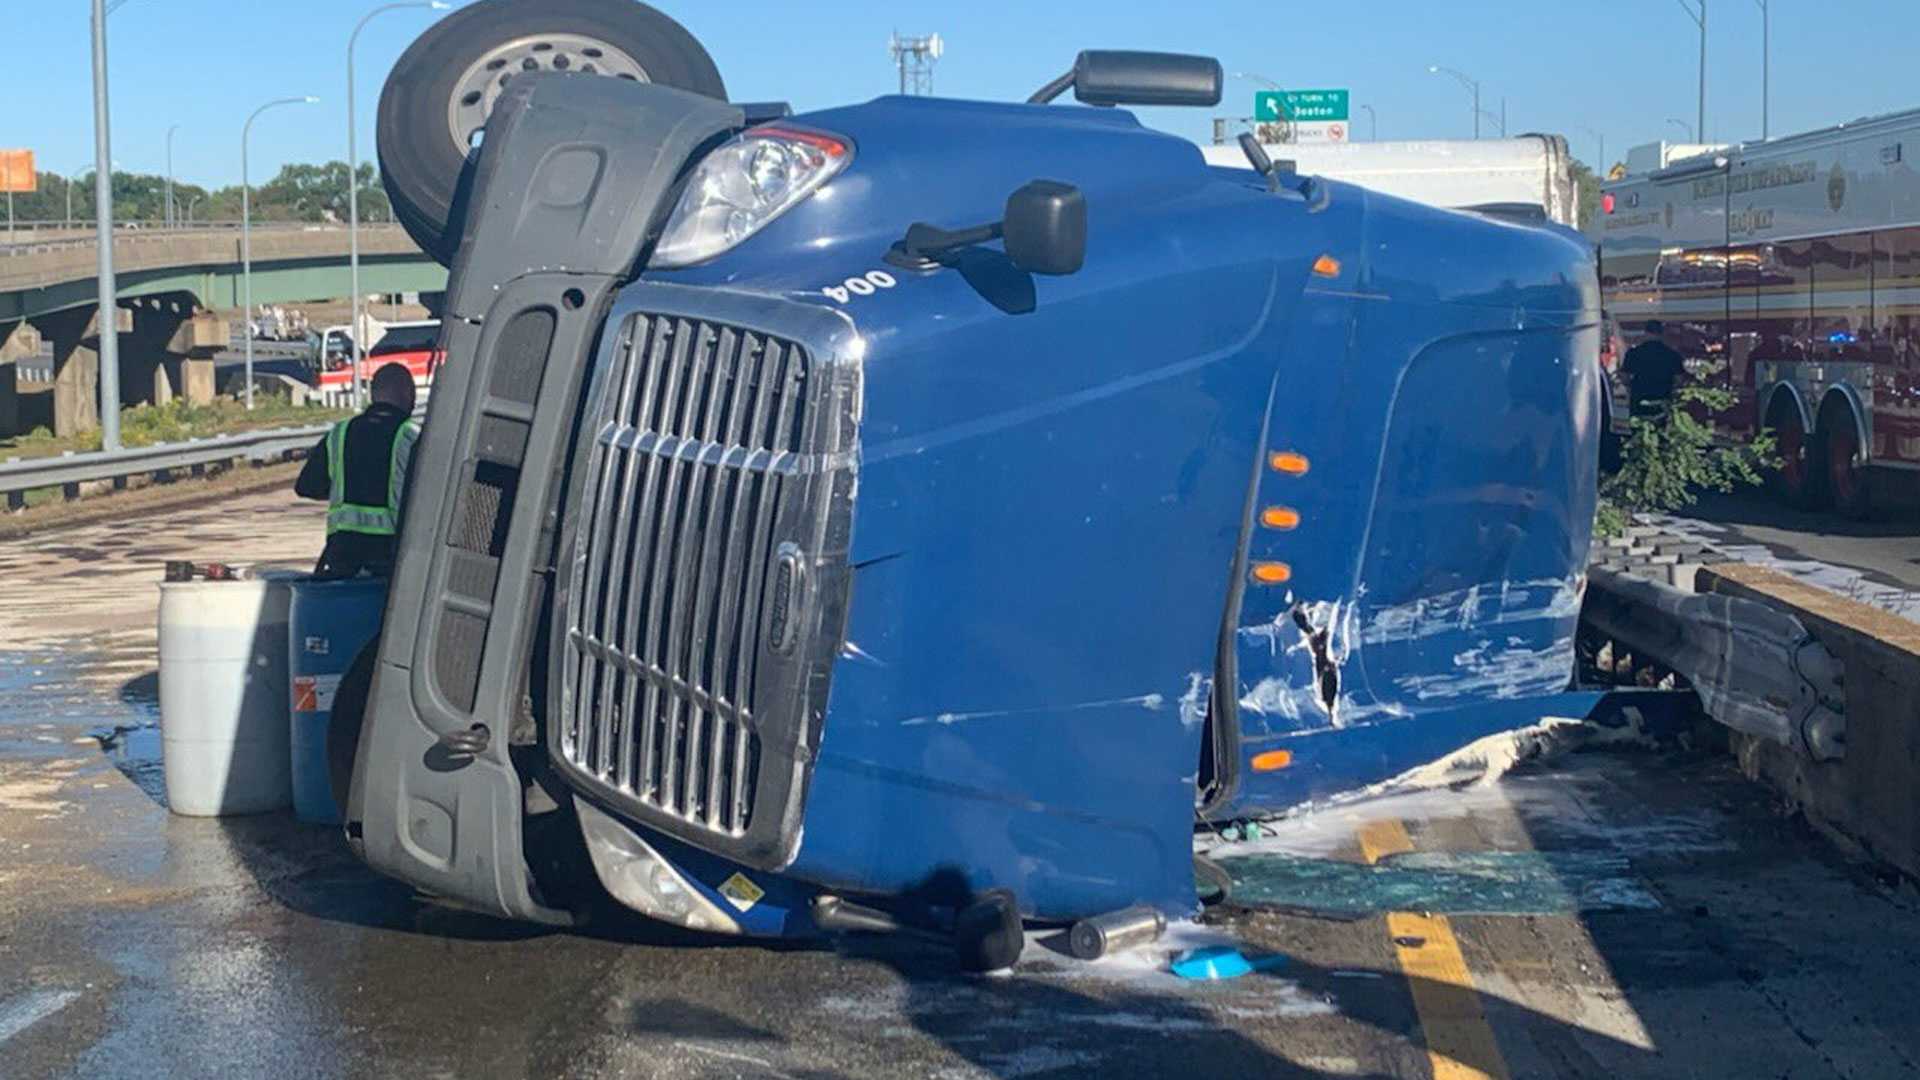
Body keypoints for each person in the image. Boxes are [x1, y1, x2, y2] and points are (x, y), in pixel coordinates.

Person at [295, 362, 421, 579]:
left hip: (343, 558)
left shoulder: (340, 433)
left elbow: (307, 486)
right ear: (407, 393)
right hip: (392, 557)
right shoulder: (412, 436)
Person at [1620, 319, 1687, 417]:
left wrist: (1632, 386)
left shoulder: (1633, 353)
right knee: (1660, 427)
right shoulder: (1672, 355)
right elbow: (1679, 380)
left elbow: (1624, 377)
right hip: (1663, 398)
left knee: (1638, 426)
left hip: (1639, 397)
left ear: (1646, 333)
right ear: (1662, 333)